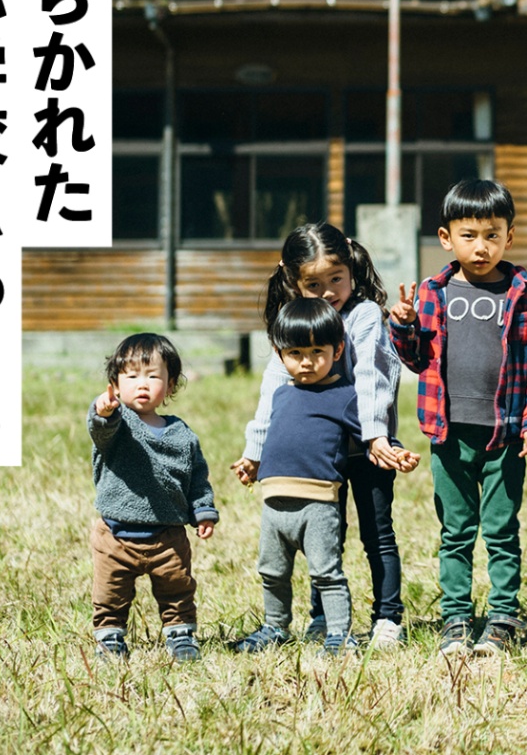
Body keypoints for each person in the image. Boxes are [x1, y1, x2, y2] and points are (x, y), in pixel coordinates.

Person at [231, 223, 418, 648]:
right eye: (313, 284)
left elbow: (373, 377)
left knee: (377, 532)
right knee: (326, 533)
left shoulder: (366, 314)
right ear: (292, 282)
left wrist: (375, 438)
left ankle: (387, 617)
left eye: (336, 278)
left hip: (370, 447)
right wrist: (254, 451)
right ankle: (322, 616)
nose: (329, 291)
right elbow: (273, 391)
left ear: (351, 266)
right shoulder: (294, 322)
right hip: (319, 453)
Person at [389, 179, 527, 657]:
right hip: (448, 434)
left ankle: (502, 616)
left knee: (501, 529)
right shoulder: (433, 293)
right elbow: (416, 360)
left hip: (506, 434)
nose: (482, 246)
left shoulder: (525, 294)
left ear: (510, 237)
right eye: (470, 235)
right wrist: (404, 325)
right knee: (456, 530)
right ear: (446, 237)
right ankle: (455, 616)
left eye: (492, 235)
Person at [230, 299, 365, 655]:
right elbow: (274, 436)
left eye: (317, 351)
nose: (306, 361)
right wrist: (253, 463)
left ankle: (338, 634)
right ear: (279, 354)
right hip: (273, 503)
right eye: (295, 352)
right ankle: (275, 627)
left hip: (318, 504)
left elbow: (369, 433)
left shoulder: (345, 397)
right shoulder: (281, 394)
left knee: (326, 573)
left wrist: (389, 447)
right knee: (271, 571)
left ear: (337, 350)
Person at [87, 333, 216, 662]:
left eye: (153, 375)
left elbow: (196, 478)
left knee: (177, 589)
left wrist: (202, 510)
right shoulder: (118, 423)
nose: (141, 383)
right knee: (110, 594)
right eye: (131, 376)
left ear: (170, 385)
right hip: (115, 536)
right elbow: (101, 427)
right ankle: (110, 636)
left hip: (168, 537)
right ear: (114, 385)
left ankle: (181, 633)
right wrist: (103, 412)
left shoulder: (182, 434)